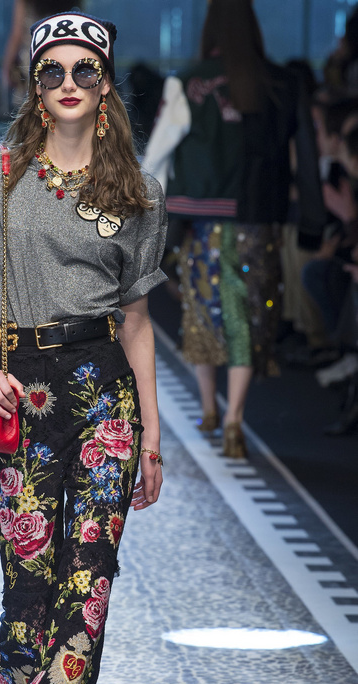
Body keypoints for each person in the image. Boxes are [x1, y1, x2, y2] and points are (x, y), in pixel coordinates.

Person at [0, 11, 167, 684]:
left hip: (103, 395)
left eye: (84, 71)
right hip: (21, 394)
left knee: (89, 590)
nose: (68, 84)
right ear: (34, 87)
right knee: (30, 595)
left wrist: (150, 438)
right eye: (52, 72)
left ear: (105, 87)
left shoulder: (136, 193)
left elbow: (137, 321)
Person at [142, 0, 324, 457]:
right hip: (259, 222)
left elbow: (158, 156)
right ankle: (234, 419)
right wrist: (312, 223)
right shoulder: (282, 83)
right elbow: (307, 158)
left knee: (202, 313)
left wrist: (147, 223)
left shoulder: (189, 82)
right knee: (249, 317)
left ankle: (208, 408)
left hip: (200, 223)